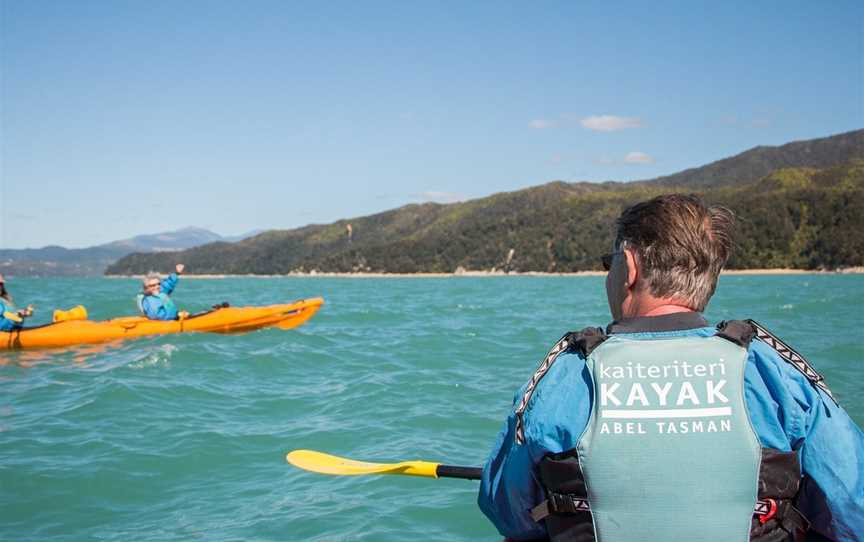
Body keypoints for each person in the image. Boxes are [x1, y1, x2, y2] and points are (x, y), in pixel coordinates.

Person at [477, 194, 863, 541]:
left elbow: (508, 512)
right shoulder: (775, 372)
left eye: (607, 264)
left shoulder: (565, 374)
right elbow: (852, 509)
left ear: (628, 267)